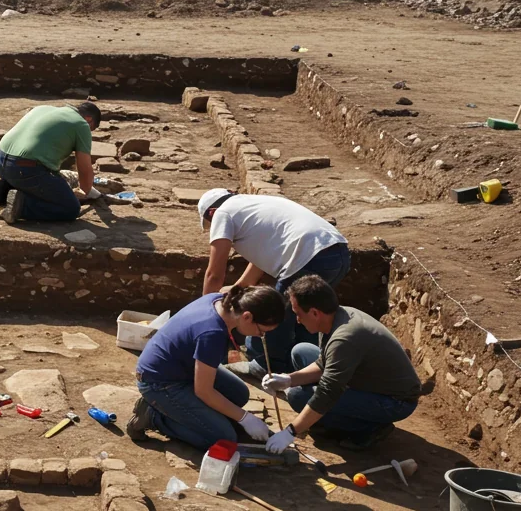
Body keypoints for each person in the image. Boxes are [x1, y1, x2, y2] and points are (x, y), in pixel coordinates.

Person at [197, 188, 350, 378]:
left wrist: (204, 312)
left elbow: (214, 275)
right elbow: (260, 258)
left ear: (211, 213)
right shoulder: (255, 205)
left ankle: (265, 365)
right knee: (306, 316)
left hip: (306, 254)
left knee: (271, 313)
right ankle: (305, 367)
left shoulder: (222, 212)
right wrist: (239, 287)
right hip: (337, 253)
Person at [263, 275, 421, 452]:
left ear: (315, 312)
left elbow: (328, 392)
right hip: (367, 381)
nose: (297, 320)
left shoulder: (344, 338)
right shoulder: (334, 317)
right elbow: (323, 364)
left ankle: (370, 428)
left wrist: (290, 432)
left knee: (298, 397)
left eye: (298, 314)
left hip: (395, 402)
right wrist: (288, 379)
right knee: (301, 351)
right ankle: (333, 417)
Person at [124, 286, 285, 450]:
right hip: (159, 383)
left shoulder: (221, 300)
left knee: (239, 394)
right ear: (247, 316)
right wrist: (245, 418)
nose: (260, 336)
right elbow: (204, 391)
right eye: (261, 331)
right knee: (223, 438)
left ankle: (201, 416)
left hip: (182, 367)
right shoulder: (212, 333)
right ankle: (154, 417)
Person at [0, 102, 102, 225]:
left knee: (41, 186)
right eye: (91, 129)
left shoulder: (42, 108)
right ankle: (20, 207)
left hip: (1, 161)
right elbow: (84, 169)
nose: (89, 133)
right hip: (25, 169)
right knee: (70, 208)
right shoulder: (81, 124)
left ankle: (0, 193)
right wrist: (84, 192)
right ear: (89, 119)